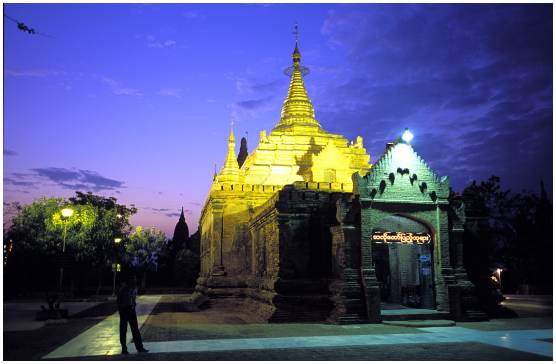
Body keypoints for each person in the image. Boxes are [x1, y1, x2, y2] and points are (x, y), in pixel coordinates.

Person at [117, 275, 149, 355]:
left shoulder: (134, 288)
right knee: (123, 330)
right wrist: (121, 310)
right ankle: (124, 348)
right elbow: (119, 301)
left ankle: (140, 348)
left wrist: (134, 305)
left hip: (131, 310)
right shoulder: (123, 289)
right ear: (129, 281)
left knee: (135, 330)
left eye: (135, 279)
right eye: (133, 279)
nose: (135, 281)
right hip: (124, 310)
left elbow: (133, 299)